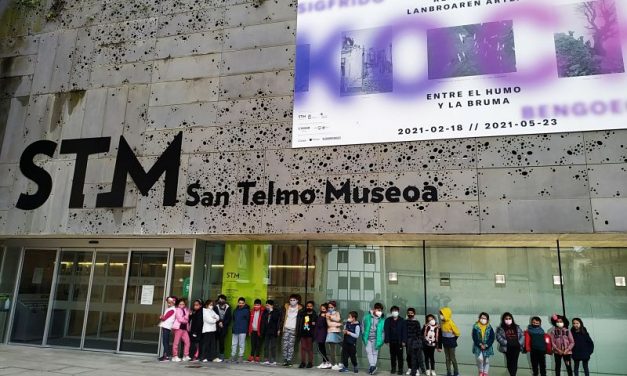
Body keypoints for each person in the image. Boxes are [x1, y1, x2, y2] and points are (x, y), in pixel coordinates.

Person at [280, 294, 303, 367]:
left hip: (293, 329)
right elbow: (282, 318)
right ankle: (285, 360)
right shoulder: (286, 307)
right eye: (291, 300)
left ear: (297, 301)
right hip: (286, 328)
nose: (292, 301)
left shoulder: (300, 309)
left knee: (291, 345)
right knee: (284, 345)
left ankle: (289, 360)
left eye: (294, 300)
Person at [362, 302, 385, 375]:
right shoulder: (366, 317)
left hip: (376, 338)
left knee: (375, 353)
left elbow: (383, 331)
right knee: (368, 351)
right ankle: (372, 366)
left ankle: (372, 367)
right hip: (367, 338)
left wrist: (382, 339)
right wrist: (363, 334)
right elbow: (362, 326)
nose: (379, 312)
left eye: (380, 310)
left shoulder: (382, 320)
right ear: (374, 309)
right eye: (378, 310)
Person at [385, 306, 407, 375]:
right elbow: (386, 331)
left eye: (396, 311)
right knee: (392, 356)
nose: (394, 312)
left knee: (400, 356)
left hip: (399, 341)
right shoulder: (388, 320)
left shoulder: (402, 320)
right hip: (391, 341)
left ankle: (400, 369)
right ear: (391, 312)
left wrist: (404, 341)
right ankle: (393, 368)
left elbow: (404, 331)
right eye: (393, 311)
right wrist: (387, 340)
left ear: (398, 312)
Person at [439, 307, 461, 376]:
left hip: (451, 343)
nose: (440, 316)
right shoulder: (442, 323)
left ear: (446, 314)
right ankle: (448, 372)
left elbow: (457, 333)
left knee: (452, 358)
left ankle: (456, 372)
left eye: (442, 314)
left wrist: (453, 340)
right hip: (445, 343)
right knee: (447, 358)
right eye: (440, 314)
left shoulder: (451, 323)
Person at [297, 300, 318, 368]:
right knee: (303, 348)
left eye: (310, 306)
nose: (309, 307)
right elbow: (299, 323)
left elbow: (316, 326)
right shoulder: (302, 313)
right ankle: (303, 362)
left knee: (309, 349)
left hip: (310, 334)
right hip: (303, 333)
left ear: (313, 307)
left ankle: (310, 363)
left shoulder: (315, 315)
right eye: (308, 306)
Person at [405, 308, 426, 376]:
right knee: (408, 356)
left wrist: (419, 341)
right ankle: (410, 368)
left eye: (411, 313)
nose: (410, 314)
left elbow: (419, 333)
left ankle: (416, 369)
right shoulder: (405, 322)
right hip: (407, 341)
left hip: (415, 342)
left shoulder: (417, 322)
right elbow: (404, 332)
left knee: (416, 356)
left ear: (414, 313)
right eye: (409, 313)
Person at [261, 299, 281, 366]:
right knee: (266, 346)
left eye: (268, 305)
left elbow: (276, 319)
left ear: (272, 305)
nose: (267, 306)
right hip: (266, 331)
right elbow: (263, 319)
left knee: (273, 346)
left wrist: (271, 311)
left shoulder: (276, 311)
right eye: (266, 305)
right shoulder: (265, 311)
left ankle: (273, 360)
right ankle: (266, 359)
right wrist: (268, 312)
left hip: (273, 331)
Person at [230, 297, 250, 363]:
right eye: (240, 303)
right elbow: (233, 319)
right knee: (234, 344)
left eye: (242, 303)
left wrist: (246, 329)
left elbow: (248, 320)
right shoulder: (235, 310)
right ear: (238, 303)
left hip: (243, 330)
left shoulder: (247, 311)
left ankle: (240, 357)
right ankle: (233, 356)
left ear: (244, 303)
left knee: (241, 344)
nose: (241, 304)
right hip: (235, 329)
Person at [213, 294, 232, 360]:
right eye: (220, 299)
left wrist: (223, 323)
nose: (221, 301)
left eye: (222, 299)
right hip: (216, 326)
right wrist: (218, 322)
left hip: (224, 327)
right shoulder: (216, 307)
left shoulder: (228, 307)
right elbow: (214, 316)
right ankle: (214, 355)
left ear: (225, 300)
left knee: (222, 341)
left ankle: (221, 356)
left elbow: (229, 318)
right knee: (215, 341)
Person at [157, 296, 177, 361]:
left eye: (170, 302)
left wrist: (161, 317)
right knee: (165, 341)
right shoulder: (171, 309)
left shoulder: (172, 309)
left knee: (165, 341)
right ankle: (165, 355)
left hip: (167, 326)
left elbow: (164, 318)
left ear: (173, 302)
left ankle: (166, 356)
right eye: (168, 302)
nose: (168, 304)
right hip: (166, 326)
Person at [326, 301, 344, 370]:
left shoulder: (337, 313)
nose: (330, 308)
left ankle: (341, 362)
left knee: (343, 347)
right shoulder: (327, 314)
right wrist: (339, 324)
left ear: (335, 307)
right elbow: (329, 324)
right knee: (332, 350)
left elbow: (338, 319)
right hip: (331, 332)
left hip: (337, 332)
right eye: (329, 307)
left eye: (332, 307)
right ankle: (333, 364)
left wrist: (331, 318)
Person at [248, 298, 265, 363]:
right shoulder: (252, 311)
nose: (256, 306)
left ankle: (257, 357)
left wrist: (261, 331)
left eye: (258, 305)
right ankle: (251, 356)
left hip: (259, 331)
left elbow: (263, 322)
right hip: (253, 330)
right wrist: (249, 330)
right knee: (253, 344)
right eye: (255, 305)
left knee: (258, 344)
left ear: (260, 305)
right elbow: (250, 322)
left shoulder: (263, 311)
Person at [316, 303, 332, 369]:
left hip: (323, 333)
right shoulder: (320, 314)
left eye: (324, 308)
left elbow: (324, 324)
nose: (322, 309)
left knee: (320, 349)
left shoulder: (326, 315)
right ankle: (324, 362)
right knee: (322, 348)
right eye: (321, 308)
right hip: (319, 332)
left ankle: (327, 362)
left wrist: (323, 316)